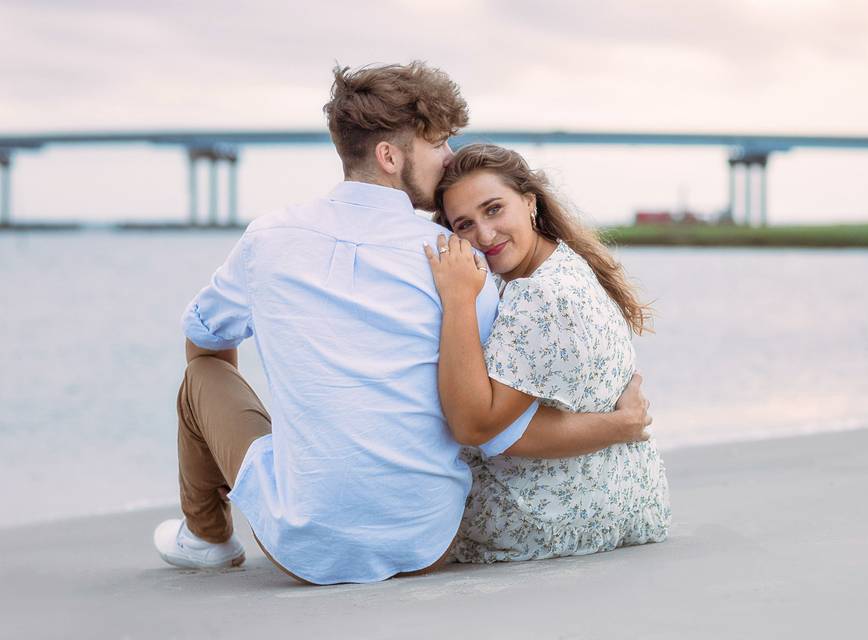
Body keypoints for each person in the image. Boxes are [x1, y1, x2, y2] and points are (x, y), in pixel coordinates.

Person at [152, 62, 655, 585]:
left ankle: (207, 538)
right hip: (428, 540)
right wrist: (618, 425)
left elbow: (205, 333)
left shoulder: (268, 239)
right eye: (437, 144)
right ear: (390, 156)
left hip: (306, 549)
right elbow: (489, 420)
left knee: (203, 374)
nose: (450, 157)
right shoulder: (457, 262)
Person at [424, 144, 671, 563]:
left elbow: (474, 427)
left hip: (541, 521)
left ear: (529, 202)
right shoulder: (564, 263)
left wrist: (458, 299)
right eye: (463, 225)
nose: (483, 236)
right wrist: (621, 424)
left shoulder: (538, 295)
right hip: (621, 501)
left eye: (494, 209)